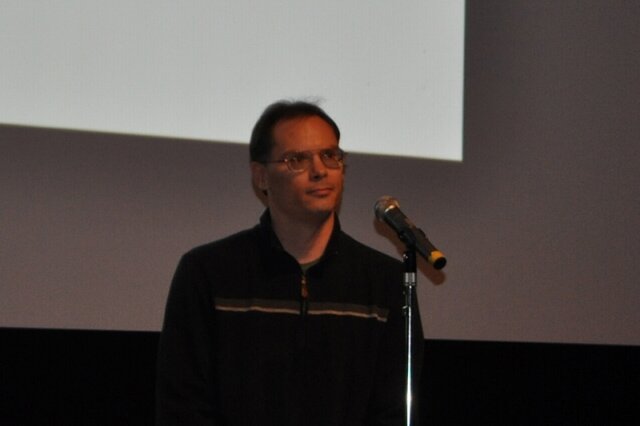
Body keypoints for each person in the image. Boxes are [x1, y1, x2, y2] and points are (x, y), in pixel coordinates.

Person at [156, 100, 423, 425]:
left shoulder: (384, 282)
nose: (320, 170)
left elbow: (393, 410)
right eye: (297, 159)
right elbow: (183, 406)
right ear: (261, 177)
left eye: (330, 155)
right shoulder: (208, 274)